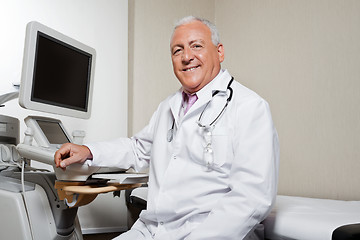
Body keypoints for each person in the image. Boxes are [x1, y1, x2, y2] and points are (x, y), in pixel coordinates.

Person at [55, 16, 279, 240]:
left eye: (196, 46)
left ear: (219, 52)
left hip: (208, 232)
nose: (186, 57)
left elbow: (252, 197)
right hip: (153, 228)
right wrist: (89, 151)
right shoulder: (168, 107)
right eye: (177, 50)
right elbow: (138, 149)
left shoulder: (249, 107)